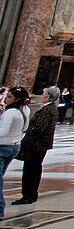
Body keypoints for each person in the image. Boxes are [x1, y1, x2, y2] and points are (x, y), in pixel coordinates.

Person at [13, 86, 60, 206]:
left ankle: (28, 195)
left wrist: (27, 131)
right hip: (42, 144)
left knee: (30, 170)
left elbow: (39, 128)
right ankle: (31, 194)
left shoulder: (46, 110)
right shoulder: (51, 108)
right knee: (35, 169)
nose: (42, 96)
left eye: (44, 94)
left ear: (48, 97)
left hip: (36, 144)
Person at [0, 88, 30, 219]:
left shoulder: (10, 113)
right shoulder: (24, 111)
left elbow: (2, 132)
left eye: (10, 97)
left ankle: (0, 209)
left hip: (3, 147)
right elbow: (25, 128)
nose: (6, 99)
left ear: (16, 99)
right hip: (14, 146)